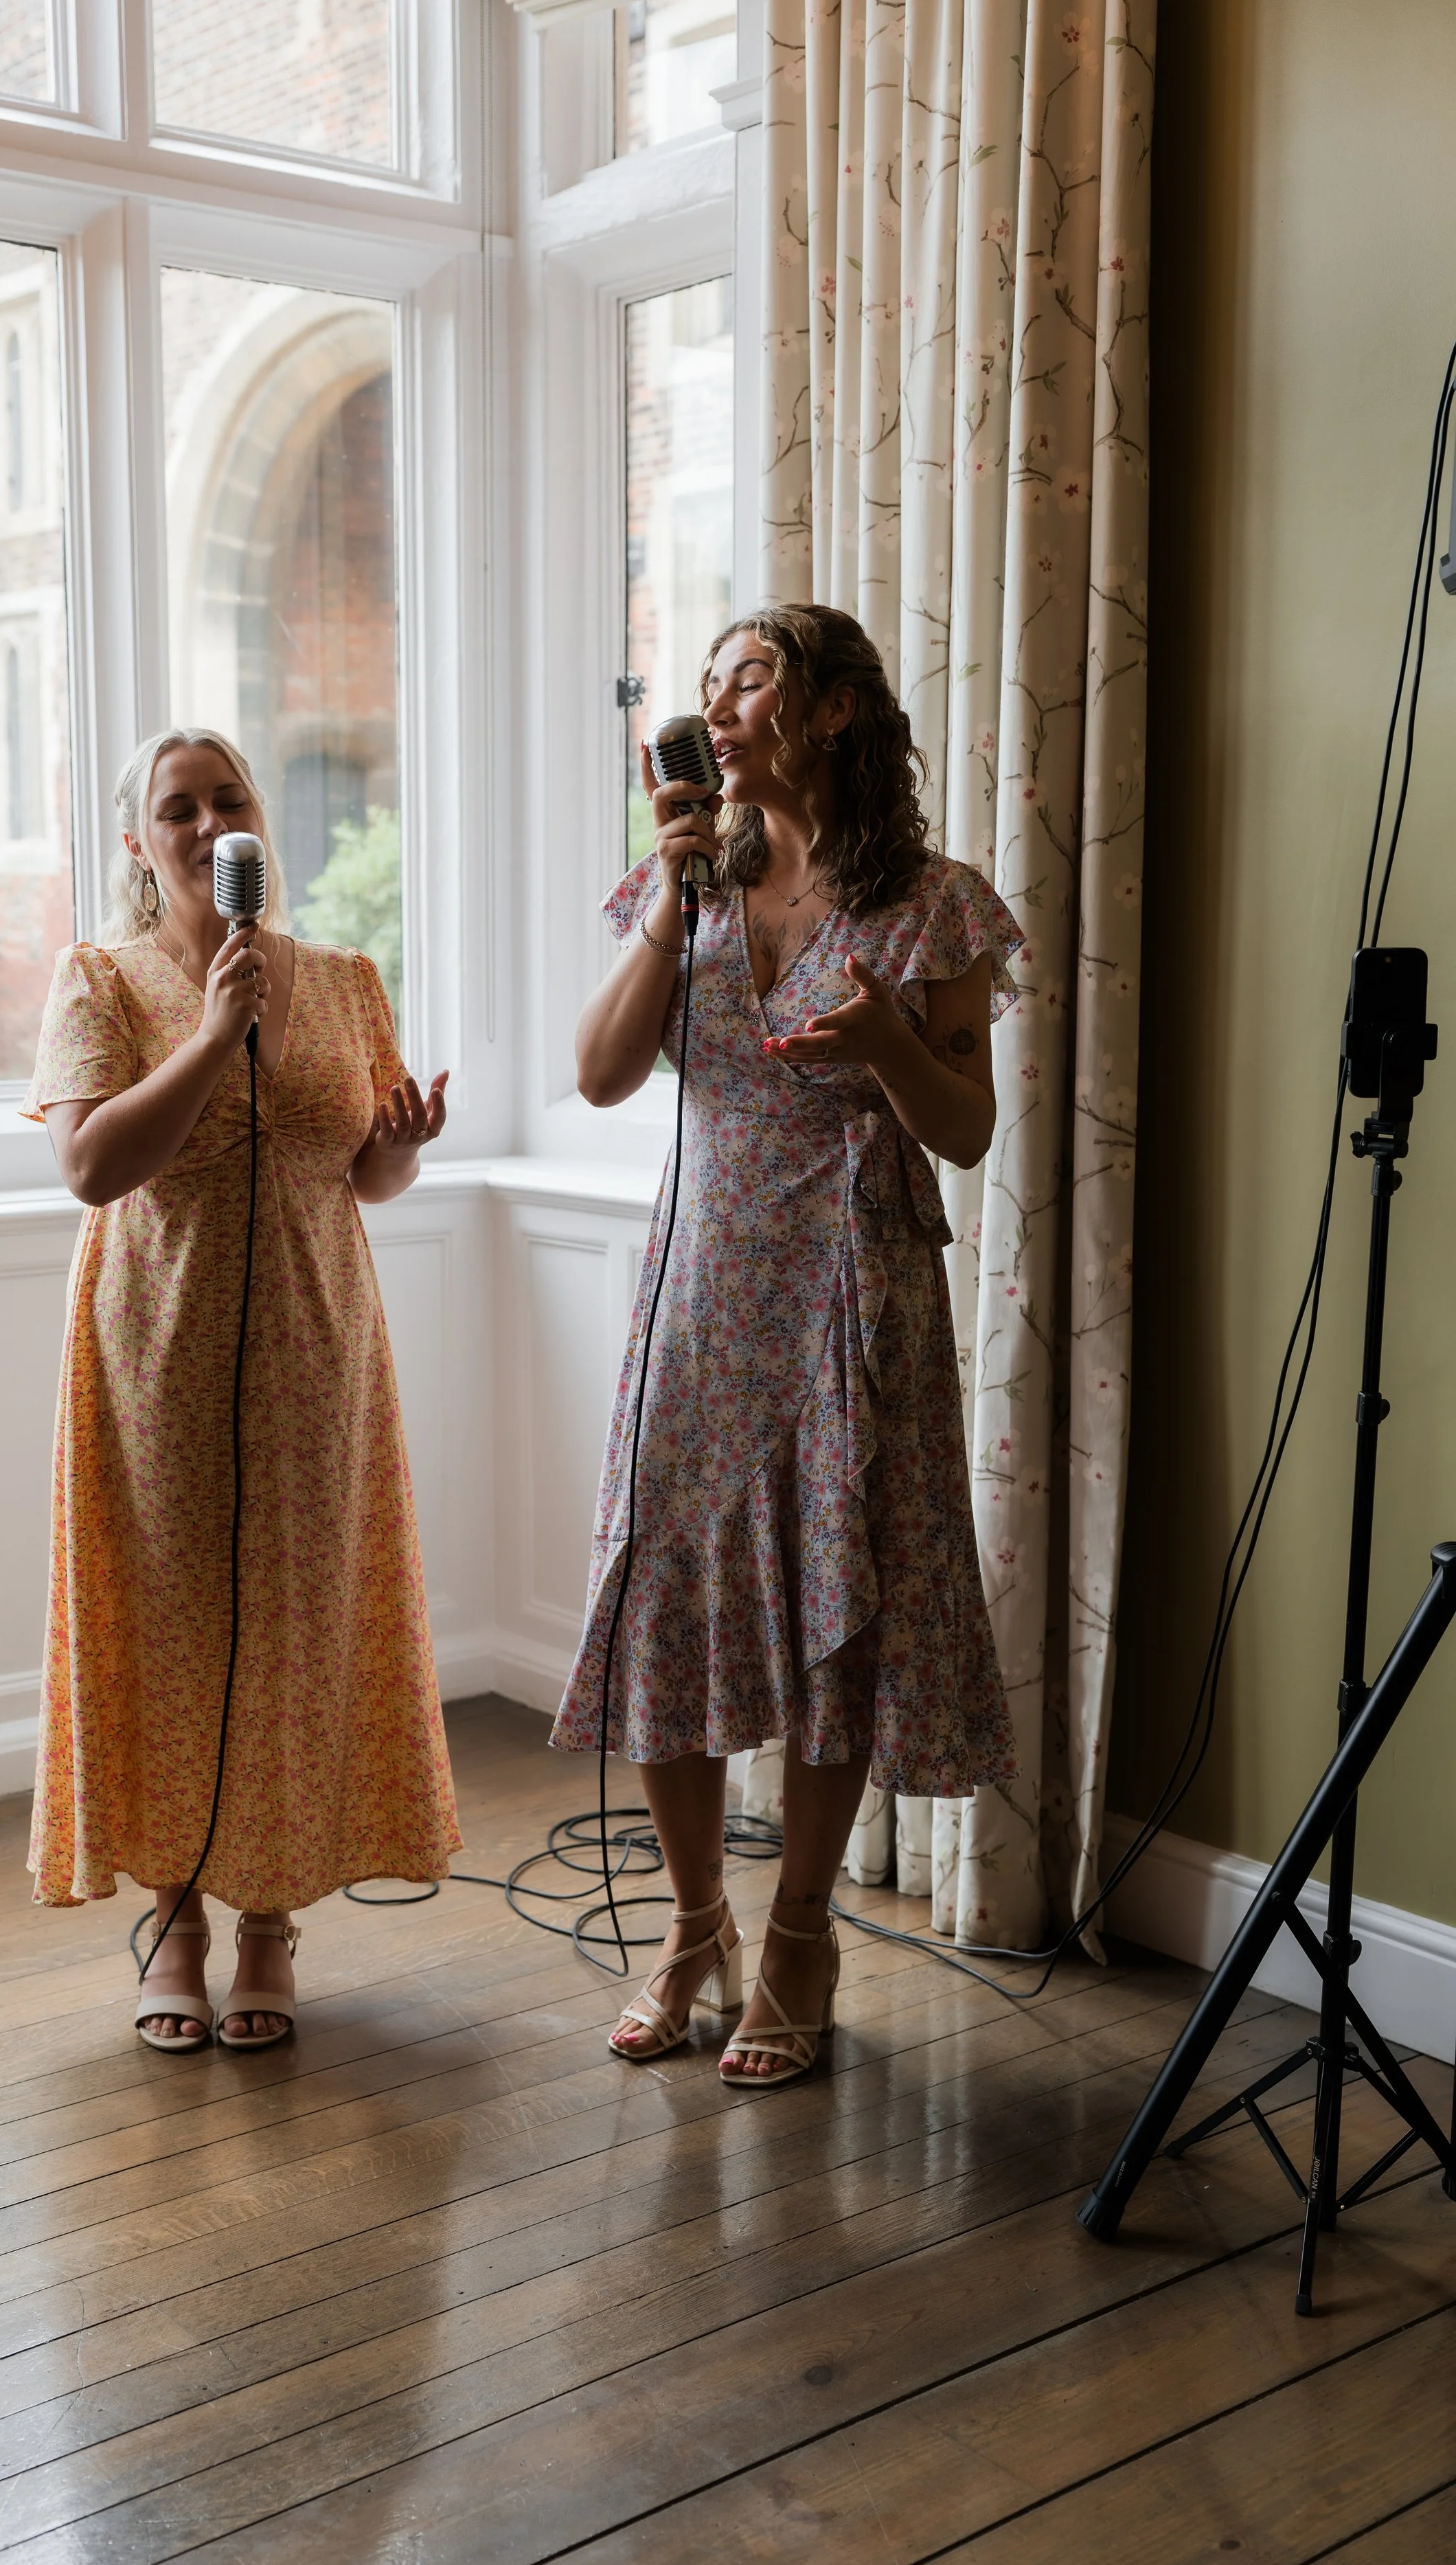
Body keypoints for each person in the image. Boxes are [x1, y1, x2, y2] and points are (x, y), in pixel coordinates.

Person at [554, 606, 1022, 2089]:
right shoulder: (685, 880)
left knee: (839, 1612)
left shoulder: (935, 903)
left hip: (851, 1284)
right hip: (700, 1288)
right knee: (665, 1598)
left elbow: (965, 1131)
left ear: (829, 710)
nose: (716, 705)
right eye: (707, 686)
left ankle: (800, 1936)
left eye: (746, 678)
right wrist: (673, 886)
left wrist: (886, 1044)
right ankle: (692, 1924)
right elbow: (601, 1074)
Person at [24, 727, 461, 2051]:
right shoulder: (99, 979)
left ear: (261, 820)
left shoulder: (345, 979)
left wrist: (401, 1150)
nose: (209, 824)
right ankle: (175, 1921)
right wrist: (216, 1032)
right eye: (179, 807)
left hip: (320, 1351)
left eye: (229, 799)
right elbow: (93, 1169)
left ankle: (269, 1920)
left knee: (294, 1628)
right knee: (168, 1626)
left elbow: (362, 1174)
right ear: (138, 841)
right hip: (154, 1354)